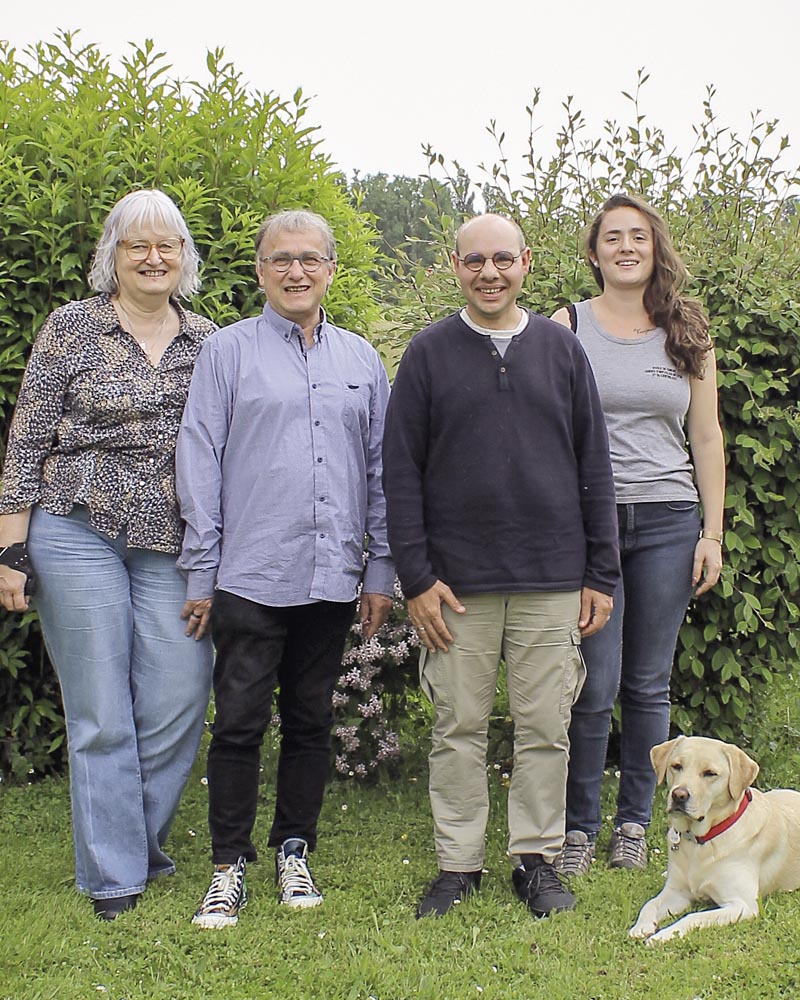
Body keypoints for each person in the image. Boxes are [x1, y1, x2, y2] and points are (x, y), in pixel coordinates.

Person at [382, 213, 620, 919]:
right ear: (454, 265)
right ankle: (459, 865)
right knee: (457, 726)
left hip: (552, 576)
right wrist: (417, 579)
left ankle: (536, 861)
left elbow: (594, 465)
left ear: (526, 264)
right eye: (475, 260)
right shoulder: (427, 354)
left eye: (503, 260)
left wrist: (600, 572)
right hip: (456, 587)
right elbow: (400, 474)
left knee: (546, 725)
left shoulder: (561, 350)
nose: (490, 273)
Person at [0, 189, 215, 920]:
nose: (153, 258)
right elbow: (27, 439)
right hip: (75, 527)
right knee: (99, 711)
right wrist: (10, 549)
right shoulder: (72, 328)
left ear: (184, 257)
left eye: (167, 246)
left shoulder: (209, 340)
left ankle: (131, 840)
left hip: (170, 540)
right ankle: (115, 875)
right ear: (113, 255)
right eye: (137, 246)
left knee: (179, 698)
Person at [178, 209, 394, 929]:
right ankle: (227, 866)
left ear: (331, 268)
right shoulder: (227, 353)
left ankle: (294, 849)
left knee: (308, 722)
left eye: (309, 259)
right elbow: (199, 458)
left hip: (331, 576)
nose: (295, 271)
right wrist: (200, 571)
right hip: (249, 573)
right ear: (260, 271)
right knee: (238, 724)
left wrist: (379, 570)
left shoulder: (362, 360)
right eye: (280, 260)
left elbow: (380, 468)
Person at [550, 193, 725, 876]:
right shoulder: (565, 324)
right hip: (589, 525)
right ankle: (577, 828)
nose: (626, 247)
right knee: (595, 684)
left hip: (668, 521)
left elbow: (706, 436)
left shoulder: (687, 329)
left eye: (639, 237)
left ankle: (634, 825)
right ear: (593, 253)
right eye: (612, 237)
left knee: (648, 685)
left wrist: (711, 531)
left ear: (655, 250)